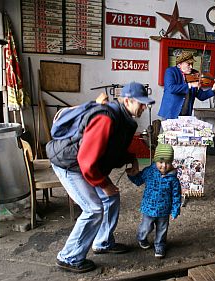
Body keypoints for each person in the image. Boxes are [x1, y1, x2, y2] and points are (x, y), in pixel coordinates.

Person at [46, 82, 155, 273]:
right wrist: (104, 184)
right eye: (142, 103)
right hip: (69, 164)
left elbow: (112, 149)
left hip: (84, 163)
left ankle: (102, 242)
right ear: (127, 100)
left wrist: (132, 159)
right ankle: (69, 257)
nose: (145, 107)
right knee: (94, 208)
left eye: (146, 103)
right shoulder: (105, 118)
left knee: (111, 198)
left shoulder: (123, 118)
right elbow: (86, 162)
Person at [126, 143, 181, 259]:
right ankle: (141, 237)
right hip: (148, 208)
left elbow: (176, 196)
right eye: (161, 162)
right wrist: (132, 175)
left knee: (162, 230)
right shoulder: (149, 172)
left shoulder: (173, 179)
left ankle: (160, 245)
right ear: (155, 160)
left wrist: (175, 210)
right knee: (146, 228)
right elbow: (139, 180)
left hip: (164, 211)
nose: (164, 166)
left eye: (168, 162)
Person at [158, 50, 215, 119]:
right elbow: (171, 88)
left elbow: (202, 96)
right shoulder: (171, 71)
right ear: (180, 64)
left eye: (192, 64)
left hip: (185, 115)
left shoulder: (194, 76)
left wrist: (213, 89)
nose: (191, 67)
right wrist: (190, 85)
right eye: (188, 64)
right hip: (170, 113)